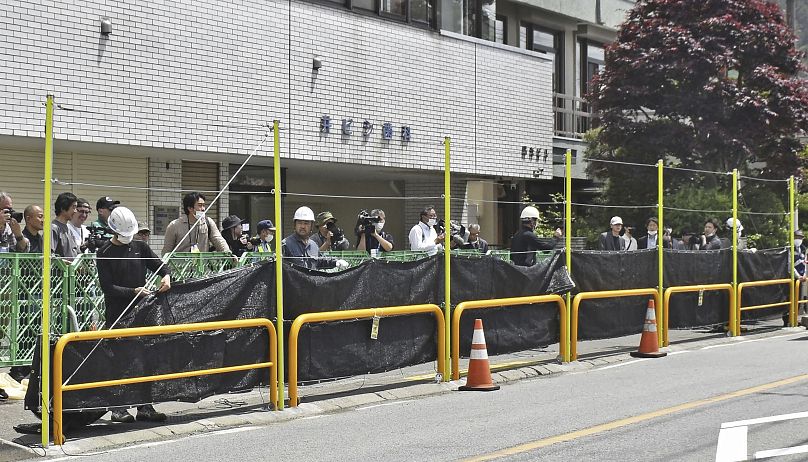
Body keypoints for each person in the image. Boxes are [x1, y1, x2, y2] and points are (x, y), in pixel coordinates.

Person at [96, 206, 170, 423]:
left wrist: (166, 277)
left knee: (145, 358)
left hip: (142, 312)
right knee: (120, 360)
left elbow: (160, 266)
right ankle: (118, 408)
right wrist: (134, 291)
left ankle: (145, 406)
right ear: (113, 231)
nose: (128, 238)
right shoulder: (104, 252)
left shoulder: (140, 246)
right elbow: (107, 287)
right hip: (118, 313)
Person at [162, 192, 230, 255]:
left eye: (204, 205)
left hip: (202, 267)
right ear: (190, 208)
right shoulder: (174, 225)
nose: (203, 209)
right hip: (180, 267)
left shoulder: (208, 222)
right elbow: (167, 250)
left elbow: (218, 240)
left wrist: (228, 253)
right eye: (200, 205)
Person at [281, 206, 348, 270]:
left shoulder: (313, 245)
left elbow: (320, 261)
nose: (302, 226)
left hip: (311, 281)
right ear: (294, 225)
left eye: (306, 223)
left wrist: (335, 262)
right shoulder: (285, 244)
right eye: (299, 223)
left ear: (312, 226)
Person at [52, 192, 80, 260]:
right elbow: (50, 257)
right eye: (73, 207)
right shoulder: (53, 228)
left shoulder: (69, 229)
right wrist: (67, 263)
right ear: (63, 208)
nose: (76, 211)